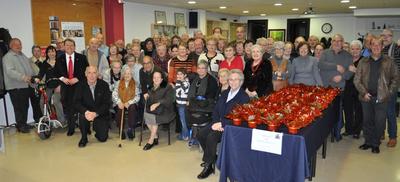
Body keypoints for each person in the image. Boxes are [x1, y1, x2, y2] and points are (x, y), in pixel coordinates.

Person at [196, 69, 250, 179]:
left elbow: (239, 117)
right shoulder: (225, 93)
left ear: (241, 81)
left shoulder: (244, 97)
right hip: (218, 122)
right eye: (231, 79)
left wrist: (223, 124)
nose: (233, 82)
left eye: (236, 80)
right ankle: (212, 157)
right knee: (200, 134)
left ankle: (208, 165)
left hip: (231, 126)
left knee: (211, 137)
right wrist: (216, 122)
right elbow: (216, 109)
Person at [354, 36, 399, 154]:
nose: (376, 47)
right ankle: (368, 142)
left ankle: (375, 143)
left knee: (379, 122)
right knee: (367, 121)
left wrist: (387, 93)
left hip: (382, 98)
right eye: (373, 44)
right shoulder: (363, 61)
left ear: (382, 47)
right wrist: (363, 93)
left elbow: (395, 78)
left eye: (378, 45)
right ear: (370, 46)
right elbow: (357, 80)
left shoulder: (389, 61)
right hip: (366, 97)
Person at [319, 34, 353, 141]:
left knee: (337, 113)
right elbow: (321, 65)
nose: (337, 43)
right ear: (331, 42)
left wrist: (341, 77)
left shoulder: (348, 55)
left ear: (343, 43)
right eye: (335, 40)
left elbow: (350, 71)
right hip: (326, 88)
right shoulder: (325, 53)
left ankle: (336, 134)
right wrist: (336, 66)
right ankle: (325, 134)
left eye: (339, 41)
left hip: (339, 88)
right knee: (325, 113)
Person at [55, 38, 89, 136]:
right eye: (67, 45)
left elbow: (86, 71)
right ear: (64, 47)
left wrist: (77, 78)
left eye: (71, 45)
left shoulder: (82, 57)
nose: (69, 47)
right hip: (66, 87)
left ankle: (85, 128)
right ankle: (71, 128)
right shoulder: (59, 59)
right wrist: (63, 78)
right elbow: (56, 72)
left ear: (74, 47)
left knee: (82, 107)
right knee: (69, 108)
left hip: (79, 85)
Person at [73, 66, 111, 148]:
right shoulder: (80, 85)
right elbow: (76, 102)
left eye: (94, 73)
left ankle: (96, 127)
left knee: (102, 138)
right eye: (89, 73)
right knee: (82, 116)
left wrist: (96, 113)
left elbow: (107, 103)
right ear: (85, 74)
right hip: (87, 111)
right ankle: (84, 137)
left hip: (99, 112)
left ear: (97, 74)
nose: (92, 75)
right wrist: (86, 112)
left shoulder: (104, 85)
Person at [3, 38, 35, 133]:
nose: (19, 46)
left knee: (25, 106)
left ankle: (23, 124)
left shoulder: (22, 55)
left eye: (20, 44)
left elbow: (29, 67)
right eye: (16, 44)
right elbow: (10, 71)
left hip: (25, 85)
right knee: (18, 107)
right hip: (15, 86)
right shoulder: (7, 57)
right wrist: (23, 77)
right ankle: (20, 125)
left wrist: (34, 76)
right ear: (11, 46)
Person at [187, 60, 219, 146]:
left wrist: (198, 100)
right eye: (199, 68)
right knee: (187, 110)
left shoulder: (212, 80)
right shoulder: (195, 79)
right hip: (195, 103)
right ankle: (194, 136)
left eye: (203, 68)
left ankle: (199, 136)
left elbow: (211, 96)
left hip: (207, 104)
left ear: (207, 69)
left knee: (198, 115)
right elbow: (191, 93)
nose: (201, 70)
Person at [142, 70, 176, 151]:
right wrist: (146, 97)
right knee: (146, 116)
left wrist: (157, 104)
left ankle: (151, 141)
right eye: (154, 77)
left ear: (161, 79)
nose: (156, 79)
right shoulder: (151, 87)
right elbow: (149, 102)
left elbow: (169, 100)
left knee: (153, 119)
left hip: (166, 110)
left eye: (158, 77)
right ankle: (155, 136)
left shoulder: (167, 86)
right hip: (154, 110)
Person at [36, 45, 65, 123]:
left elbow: (64, 74)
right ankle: (47, 119)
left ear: (55, 52)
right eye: (49, 51)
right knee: (42, 101)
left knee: (55, 101)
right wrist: (37, 79)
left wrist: (60, 85)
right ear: (47, 53)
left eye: (53, 51)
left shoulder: (60, 61)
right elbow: (40, 74)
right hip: (49, 85)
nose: (51, 53)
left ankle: (62, 121)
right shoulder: (44, 63)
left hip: (59, 85)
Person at [381, 28, 400, 147]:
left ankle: (392, 136)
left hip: (391, 85)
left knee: (390, 111)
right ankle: (381, 132)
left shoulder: (396, 49)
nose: (386, 37)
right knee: (379, 110)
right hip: (378, 85)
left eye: (388, 35)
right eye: (384, 35)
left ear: (392, 37)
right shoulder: (378, 48)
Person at [343, 40, 363, 139]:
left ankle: (357, 131)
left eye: (357, 49)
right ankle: (348, 129)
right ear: (349, 50)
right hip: (347, 89)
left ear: (361, 50)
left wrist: (356, 70)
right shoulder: (346, 60)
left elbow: (366, 76)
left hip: (359, 90)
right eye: (352, 49)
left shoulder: (365, 61)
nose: (355, 51)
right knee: (347, 110)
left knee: (359, 111)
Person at [112, 67, 140, 140]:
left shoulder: (135, 83)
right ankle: (121, 129)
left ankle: (130, 128)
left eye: (129, 74)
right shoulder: (118, 83)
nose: (127, 75)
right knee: (119, 108)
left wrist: (129, 102)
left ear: (132, 75)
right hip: (120, 102)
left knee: (132, 107)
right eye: (125, 73)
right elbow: (114, 94)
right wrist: (119, 102)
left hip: (131, 103)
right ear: (123, 74)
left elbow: (137, 96)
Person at [29, 45, 44, 123]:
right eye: (35, 51)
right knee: (35, 104)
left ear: (41, 52)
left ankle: (45, 119)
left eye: (38, 51)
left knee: (44, 104)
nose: (37, 52)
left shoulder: (45, 60)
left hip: (44, 86)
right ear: (32, 52)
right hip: (33, 87)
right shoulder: (28, 61)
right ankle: (37, 120)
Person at [175, 68, 190, 141]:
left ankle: (185, 135)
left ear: (185, 75)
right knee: (182, 120)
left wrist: (179, 83)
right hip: (179, 103)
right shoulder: (179, 82)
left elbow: (179, 92)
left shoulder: (185, 83)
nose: (179, 75)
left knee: (183, 121)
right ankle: (184, 133)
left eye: (181, 74)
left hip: (183, 105)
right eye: (178, 74)